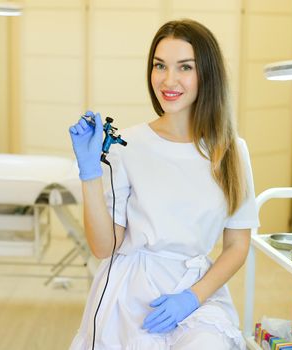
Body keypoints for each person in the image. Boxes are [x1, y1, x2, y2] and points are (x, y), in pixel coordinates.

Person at [68, 19, 259, 350]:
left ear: (207, 75)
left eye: (184, 67)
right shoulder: (126, 145)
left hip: (195, 288)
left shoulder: (231, 151)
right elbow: (103, 248)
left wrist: (191, 298)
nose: (169, 80)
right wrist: (90, 174)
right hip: (132, 292)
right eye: (160, 66)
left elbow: (237, 246)